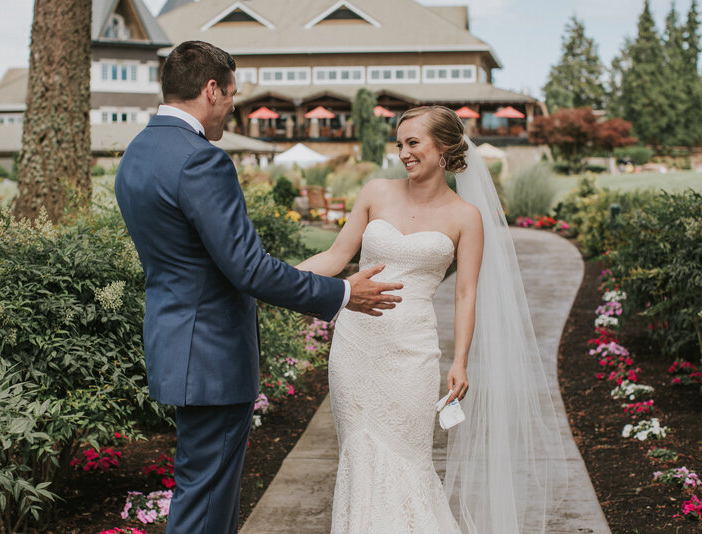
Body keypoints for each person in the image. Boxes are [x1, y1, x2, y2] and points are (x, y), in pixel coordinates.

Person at [114, 41, 403, 534]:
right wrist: (344, 294)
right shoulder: (200, 160)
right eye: (231, 95)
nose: (233, 106)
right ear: (211, 89)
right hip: (212, 354)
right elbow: (248, 269)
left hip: (176, 344)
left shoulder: (138, 152)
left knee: (203, 493)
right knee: (205, 505)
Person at [297, 106, 568, 533]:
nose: (403, 153)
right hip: (356, 345)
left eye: (413, 142)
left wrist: (460, 361)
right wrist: (279, 279)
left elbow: (466, 293)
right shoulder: (376, 192)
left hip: (412, 352)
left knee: (408, 460)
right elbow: (335, 257)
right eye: (399, 144)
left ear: (443, 148)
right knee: (361, 453)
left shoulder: (466, 217)